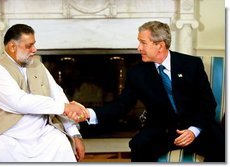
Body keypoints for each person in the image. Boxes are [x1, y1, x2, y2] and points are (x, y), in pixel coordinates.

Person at [83, 21, 225, 162]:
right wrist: (88, 113)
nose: (138, 48)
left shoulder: (191, 64)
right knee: (139, 145)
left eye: (143, 43)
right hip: (162, 130)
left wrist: (193, 130)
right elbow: (121, 106)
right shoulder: (136, 73)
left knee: (223, 146)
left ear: (160, 45)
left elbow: (208, 103)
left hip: (196, 126)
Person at [0, 24, 89, 162]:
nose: (34, 50)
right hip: (5, 133)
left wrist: (75, 134)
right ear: (12, 47)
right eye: (29, 46)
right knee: (0, 149)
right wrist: (65, 108)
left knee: (60, 142)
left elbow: (57, 94)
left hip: (41, 132)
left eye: (34, 44)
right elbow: (19, 102)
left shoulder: (37, 65)